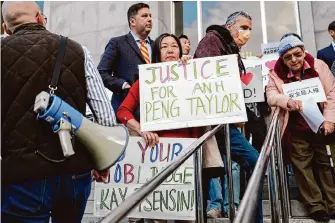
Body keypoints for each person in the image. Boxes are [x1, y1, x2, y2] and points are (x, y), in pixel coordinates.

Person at [1, 1, 116, 222]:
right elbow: (106, 118)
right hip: (74, 171)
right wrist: (102, 162)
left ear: (7, 29)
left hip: (22, 174)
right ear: (39, 18)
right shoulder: (77, 49)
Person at [117, 33, 224, 223]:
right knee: (161, 217)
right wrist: (142, 129)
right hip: (159, 154)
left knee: (188, 215)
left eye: (174, 46)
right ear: (157, 53)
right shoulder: (146, 80)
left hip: (189, 155)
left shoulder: (192, 74)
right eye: (164, 46)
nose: (170, 50)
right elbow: (123, 111)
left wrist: (191, 68)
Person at [194, 11, 263, 222]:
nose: (247, 33)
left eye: (250, 29)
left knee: (250, 163)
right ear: (230, 26)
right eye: (243, 27)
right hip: (216, 120)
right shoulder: (212, 40)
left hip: (225, 119)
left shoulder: (231, 49)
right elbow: (208, 75)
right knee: (254, 161)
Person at [266, 34, 335, 221]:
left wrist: (330, 120)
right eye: (288, 57)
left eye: (297, 54)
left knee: (324, 164)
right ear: (282, 59)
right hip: (295, 127)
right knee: (302, 167)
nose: (294, 60)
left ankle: (333, 204)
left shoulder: (319, 65)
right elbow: (270, 95)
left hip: (320, 124)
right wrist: (287, 101)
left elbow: (331, 93)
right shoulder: (275, 73)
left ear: (304, 51)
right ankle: (315, 206)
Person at [98, 3, 154, 112]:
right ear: (132, 21)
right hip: (126, 111)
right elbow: (101, 72)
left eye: (150, 16)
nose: (150, 19)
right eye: (144, 16)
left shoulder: (156, 45)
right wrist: (124, 85)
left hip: (152, 111)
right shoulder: (117, 43)